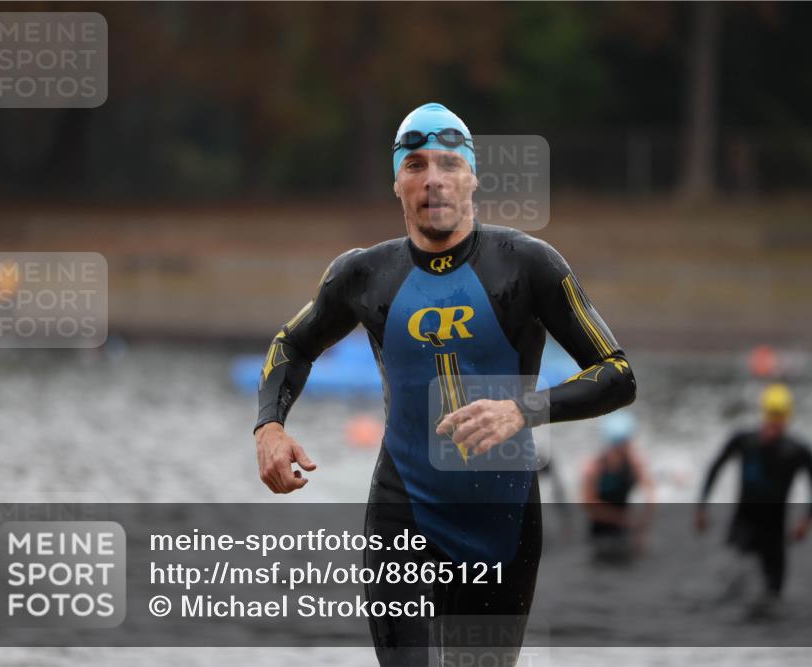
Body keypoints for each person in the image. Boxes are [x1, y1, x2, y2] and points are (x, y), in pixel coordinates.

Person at [253, 102, 637, 665]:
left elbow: (618, 374)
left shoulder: (528, 265)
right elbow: (292, 344)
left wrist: (523, 409)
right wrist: (269, 426)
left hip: (501, 520)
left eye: (449, 164)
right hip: (402, 513)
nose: (433, 179)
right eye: (415, 165)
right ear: (397, 183)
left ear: (473, 178)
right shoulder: (363, 274)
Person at [696, 383, 812, 605]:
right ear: (763, 413)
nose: (775, 423)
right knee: (730, 585)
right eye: (772, 416)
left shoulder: (798, 451)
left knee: (773, 595)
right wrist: (702, 506)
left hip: (775, 531)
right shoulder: (745, 441)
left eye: (779, 417)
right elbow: (715, 467)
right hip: (744, 525)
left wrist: (806, 522)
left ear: (787, 417)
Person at [581, 412, 655, 557]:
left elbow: (650, 493)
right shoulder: (594, 468)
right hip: (600, 530)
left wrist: (643, 525)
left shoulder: (635, 464)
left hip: (625, 526)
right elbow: (589, 504)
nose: (628, 447)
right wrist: (623, 520)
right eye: (624, 443)